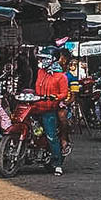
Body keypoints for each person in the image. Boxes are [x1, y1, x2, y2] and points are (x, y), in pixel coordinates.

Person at [35, 47, 69, 175]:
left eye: (44, 58)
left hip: (50, 108)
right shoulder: (40, 72)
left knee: (51, 136)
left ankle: (57, 163)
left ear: (53, 60)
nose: (41, 60)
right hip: (37, 106)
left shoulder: (61, 77)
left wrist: (55, 97)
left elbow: (64, 94)